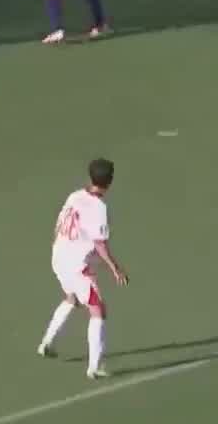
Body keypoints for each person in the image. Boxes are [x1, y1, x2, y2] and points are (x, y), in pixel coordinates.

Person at [39, 158, 129, 379]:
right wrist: (115, 268)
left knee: (72, 298)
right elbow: (100, 243)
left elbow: (60, 224)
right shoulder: (99, 208)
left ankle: (46, 343)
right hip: (77, 266)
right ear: (110, 181)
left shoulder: (75, 196)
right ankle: (94, 366)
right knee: (98, 310)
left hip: (59, 256)